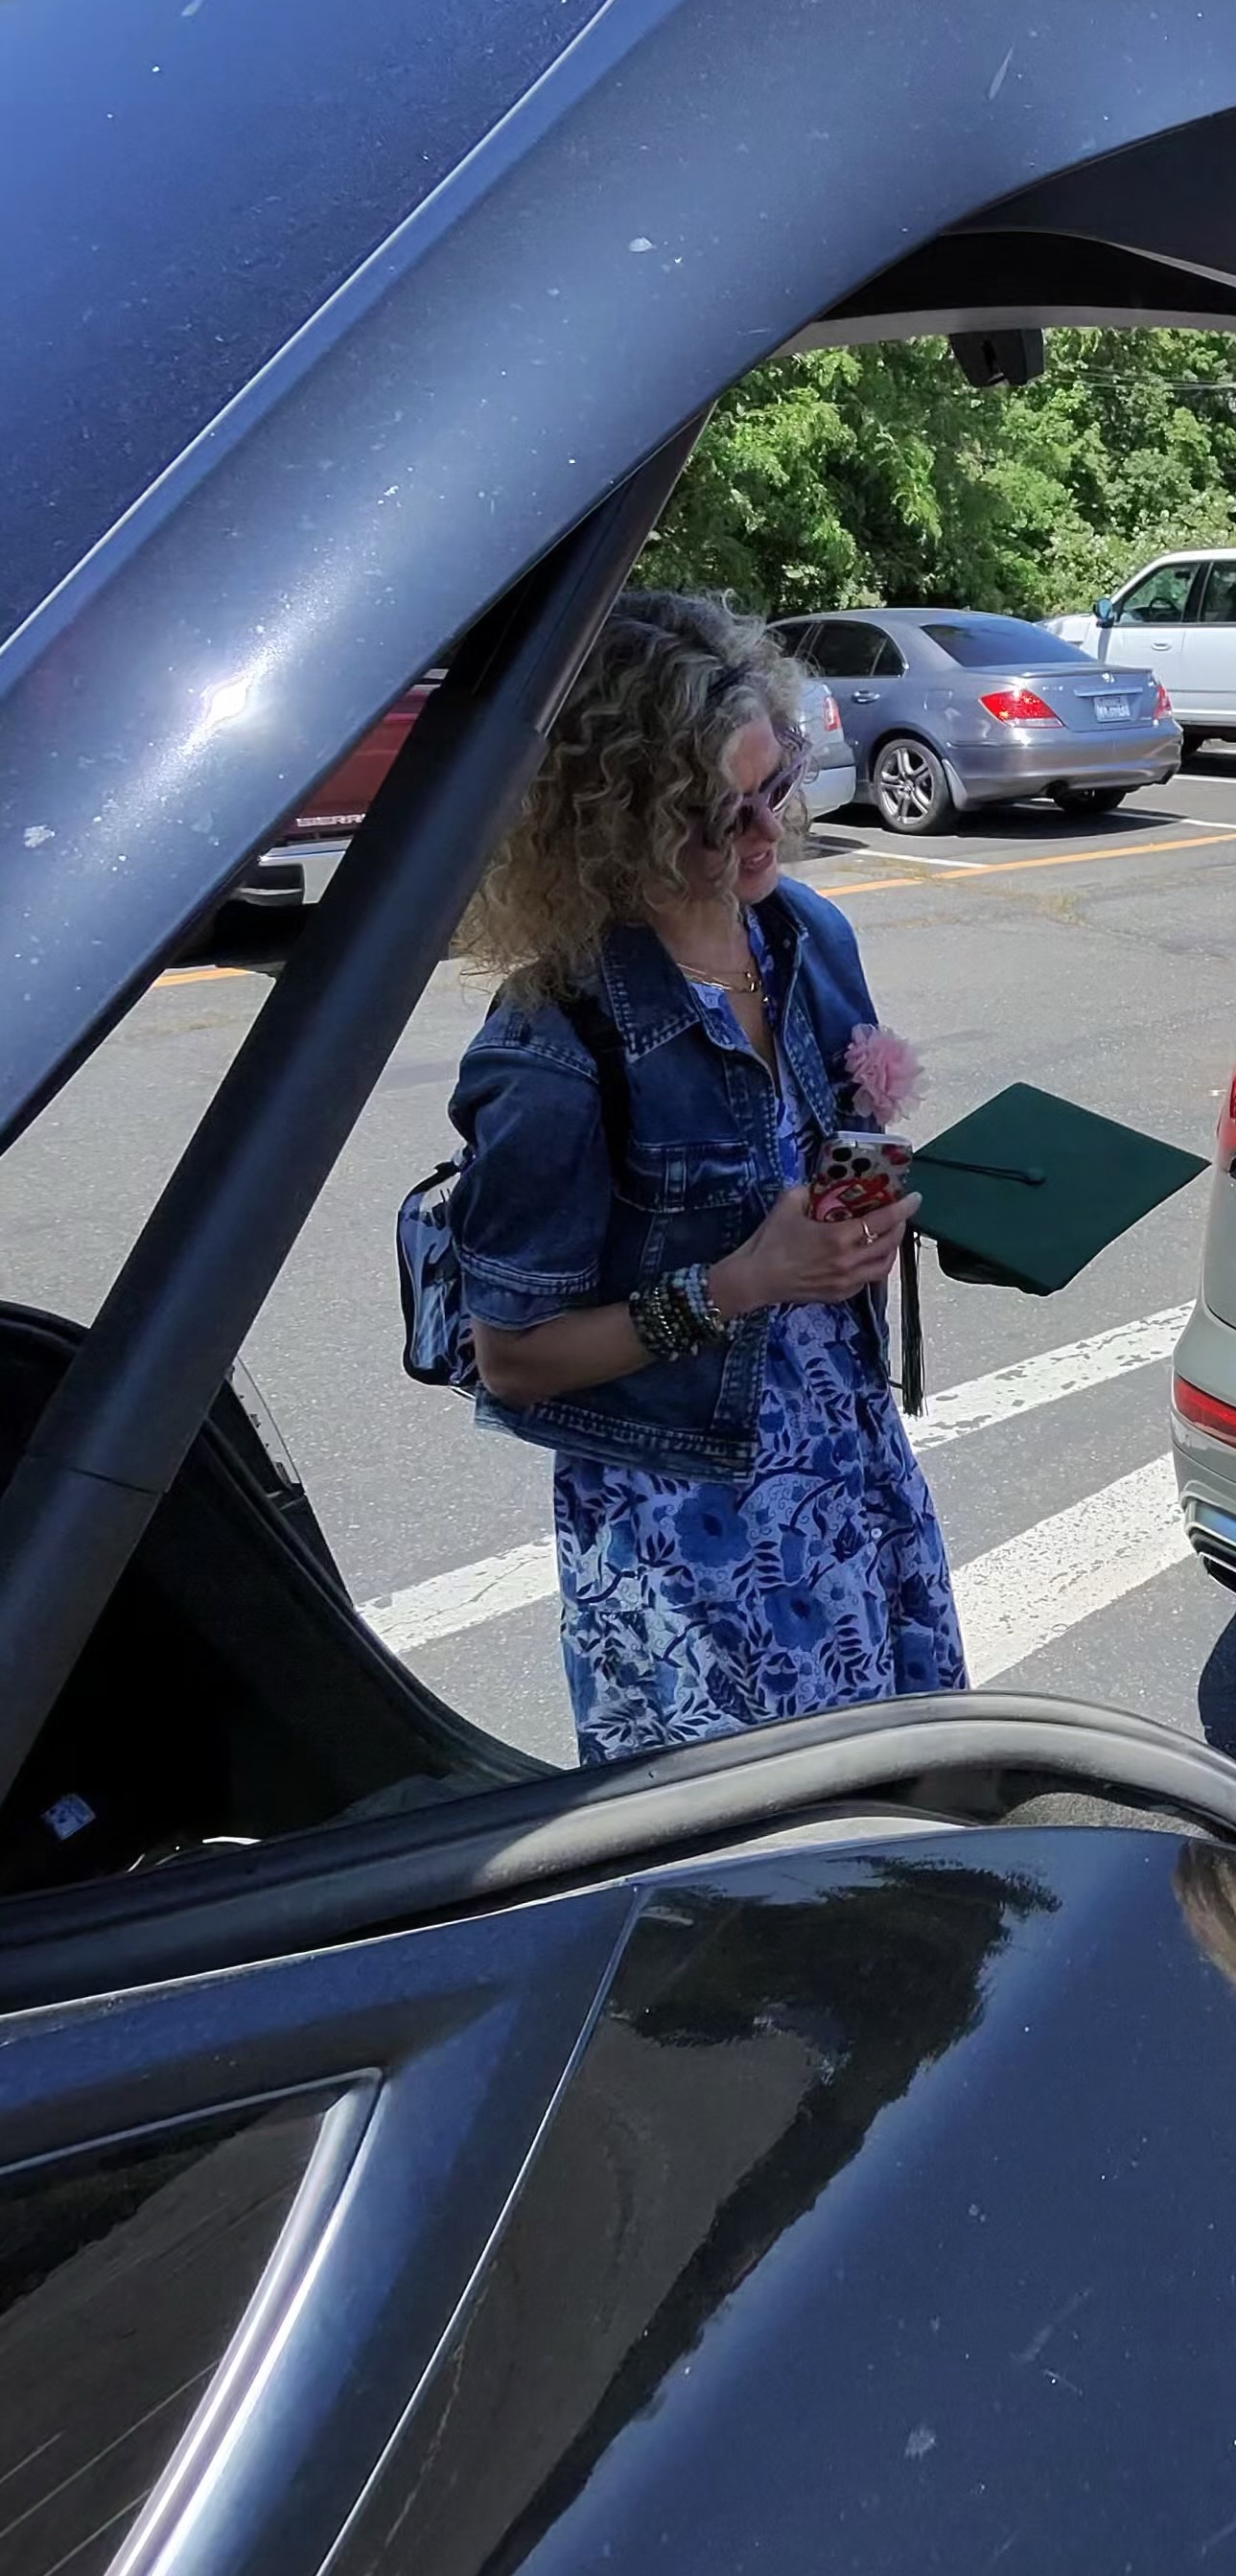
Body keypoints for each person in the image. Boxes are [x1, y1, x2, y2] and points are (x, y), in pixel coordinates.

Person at [447, 591, 964, 1763]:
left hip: (847, 1462)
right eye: (717, 820)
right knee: (749, 1888)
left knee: (895, 1820)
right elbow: (515, 1361)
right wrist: (741, 1280)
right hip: (691, 1533)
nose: (765, 840)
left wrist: (881, 1217)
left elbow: (828, 1163)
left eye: (775, 787)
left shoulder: (807, 937)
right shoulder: (553, 1045)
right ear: (614, 825)